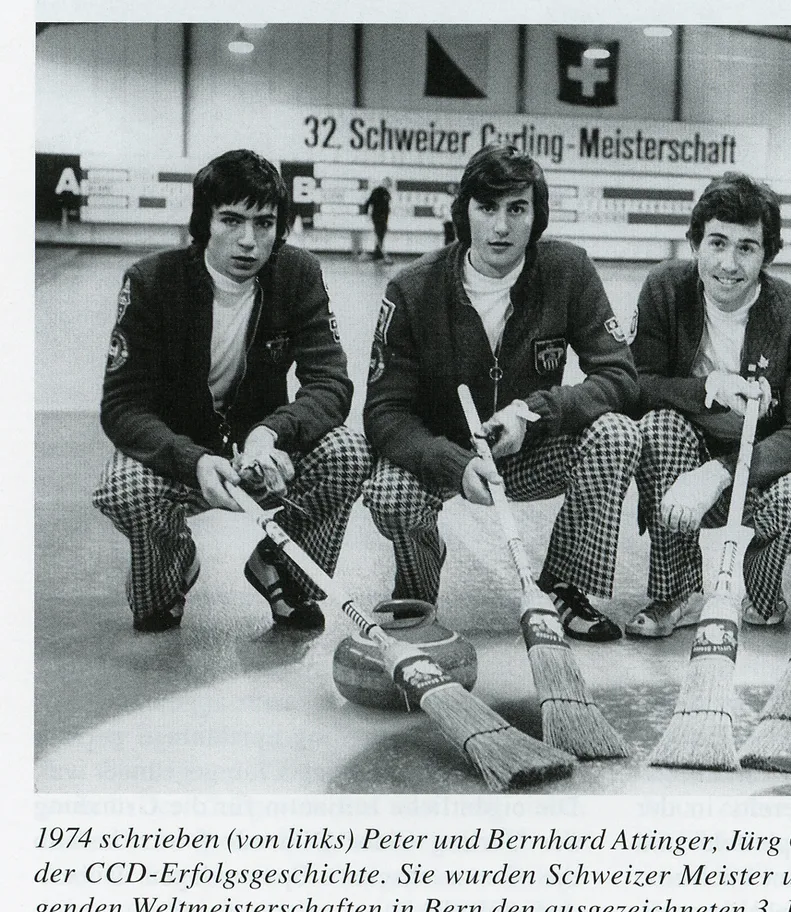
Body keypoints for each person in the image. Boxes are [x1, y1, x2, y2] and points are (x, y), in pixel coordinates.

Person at [362, 144, 640, 642]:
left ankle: (563, 586)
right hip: (442, 454)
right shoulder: (411, 289)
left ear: (538, 216)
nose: (500, 227)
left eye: (517, 209)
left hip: (527, 448)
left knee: (617, 435)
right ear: (463, 211)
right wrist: (455, 465)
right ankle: (418, 592)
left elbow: (618, 376)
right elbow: (385, 413)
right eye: (486, 208)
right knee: (388, 493)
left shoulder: (569, 271)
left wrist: (533, 413)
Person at [93, 149, 371, 633]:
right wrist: (193, 461)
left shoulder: (298, 274)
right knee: (124, 490)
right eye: (231, 220)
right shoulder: (151, 281)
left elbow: (331, 381)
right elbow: (122, 407)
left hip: (262, 455)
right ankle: (176, 559)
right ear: (204, 221)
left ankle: (279, 569)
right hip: (183, 457)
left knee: (348, 451)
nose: (249, 241)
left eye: (264, 223)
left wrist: (272, 434)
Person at [626, 172, 791, 638]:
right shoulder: (664, 288)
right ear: (695, 242)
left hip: (760, 476)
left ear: (768, 255)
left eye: (747, 247)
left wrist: (720, 472)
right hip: (684, 465)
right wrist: (709, 388)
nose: (728, 263)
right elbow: (636, 385)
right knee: (658, 427)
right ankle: (675, 590)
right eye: (717, 243)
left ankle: (762, 582)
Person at [363, 177, 393, 263]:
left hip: (384, 218)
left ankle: (378, 254)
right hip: (377, 217)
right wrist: (366, 213)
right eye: (387, 184)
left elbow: (386, 206)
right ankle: (380, 254)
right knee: (379, 235)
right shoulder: (377, 191)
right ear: (384, 182)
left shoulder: (386, 193)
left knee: (381, 235)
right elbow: (369, 202)